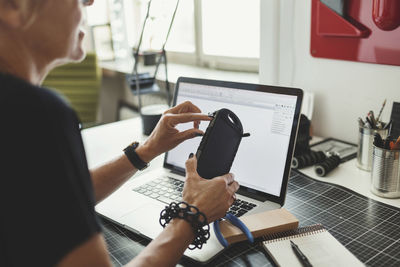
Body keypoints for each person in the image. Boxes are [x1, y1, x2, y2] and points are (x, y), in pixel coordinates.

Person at [0, 0, 239, 266]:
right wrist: (191, 215)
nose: (91, 1)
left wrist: (146, 151)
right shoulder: (32, 113)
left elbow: (51, 200)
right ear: (10, 7)